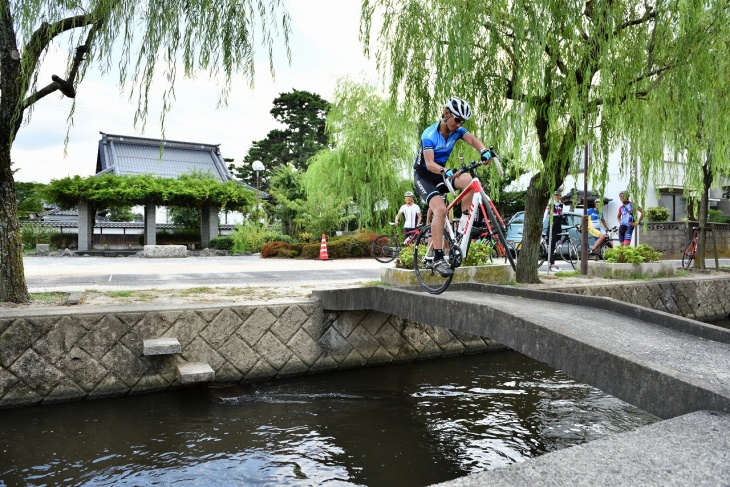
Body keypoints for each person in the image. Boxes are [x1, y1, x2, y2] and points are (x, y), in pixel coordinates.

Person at [413, 97, 495, 277]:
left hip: (442, 174)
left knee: (468, 180)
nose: (459, 124)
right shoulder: (429, 135)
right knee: (440, 210)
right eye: (457, 120)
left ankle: (463, 225)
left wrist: (483, 151)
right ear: (446, 114)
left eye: (462, 122)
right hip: (425, 176)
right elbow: (428, 164)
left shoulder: (457, 131)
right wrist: (446, 170)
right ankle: (437, 258)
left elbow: (473, 141)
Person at [544, 190, 564, 272]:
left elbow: (561, 214)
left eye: (558, 195)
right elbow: (546, 213)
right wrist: (543, 221)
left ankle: (551, 262)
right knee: (551, 246)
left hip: (558, 226)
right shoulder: (550, 204)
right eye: (555, 195)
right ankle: (552, 264)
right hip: (552, 226)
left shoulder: (561, 205)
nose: (557, 196)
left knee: (556, 245)